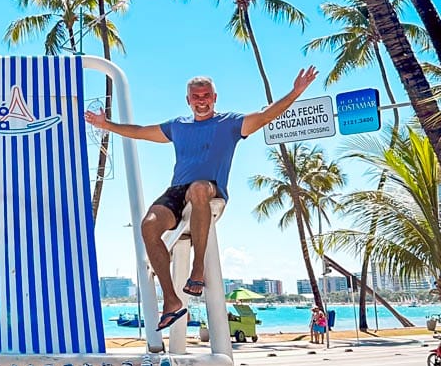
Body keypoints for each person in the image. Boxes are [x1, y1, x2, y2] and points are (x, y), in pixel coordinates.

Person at [84, 67, 318, 331]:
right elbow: (140, 131)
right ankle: (171, 301)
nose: (201, 100)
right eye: (196, 96)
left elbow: (265, 116)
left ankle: (198, 270)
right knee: (148, 225)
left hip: (209, 189)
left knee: (197, 188)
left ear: (215, 97)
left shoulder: (230, 123)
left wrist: (296, 92)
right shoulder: (178, 126)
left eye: (206, 95)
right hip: (177, 190)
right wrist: (106, 125)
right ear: (188, 100)